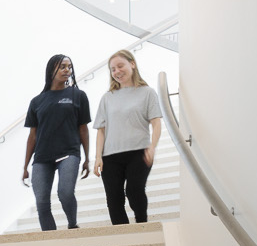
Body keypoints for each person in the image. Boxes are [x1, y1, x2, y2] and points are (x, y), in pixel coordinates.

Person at [93, 49, 165, 225]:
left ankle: (142, 224)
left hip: (139, 152)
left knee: (134, 191)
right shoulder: (107, 98)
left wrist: (152, 147)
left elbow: (156, 123)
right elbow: (101, 130)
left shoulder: (147, 92)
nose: (117, 71)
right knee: (114, 200)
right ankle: (122, 234)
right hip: (110, 156)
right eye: (113, 69)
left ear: (132, 64)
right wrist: (98, 157)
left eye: (120, 66)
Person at [21, 53, 93, 230]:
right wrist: (25, 166)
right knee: (41, 203)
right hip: (42, 157)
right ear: (51, 70)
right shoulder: (36, 101)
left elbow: (83, 129)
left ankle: (72, 225)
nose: (67, 70)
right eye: (62, 67)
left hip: (69, 153)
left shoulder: (78, 95)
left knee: (65, 193)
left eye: (69, 67)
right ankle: (51, 239)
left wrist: (87, 158)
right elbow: (32, 136)